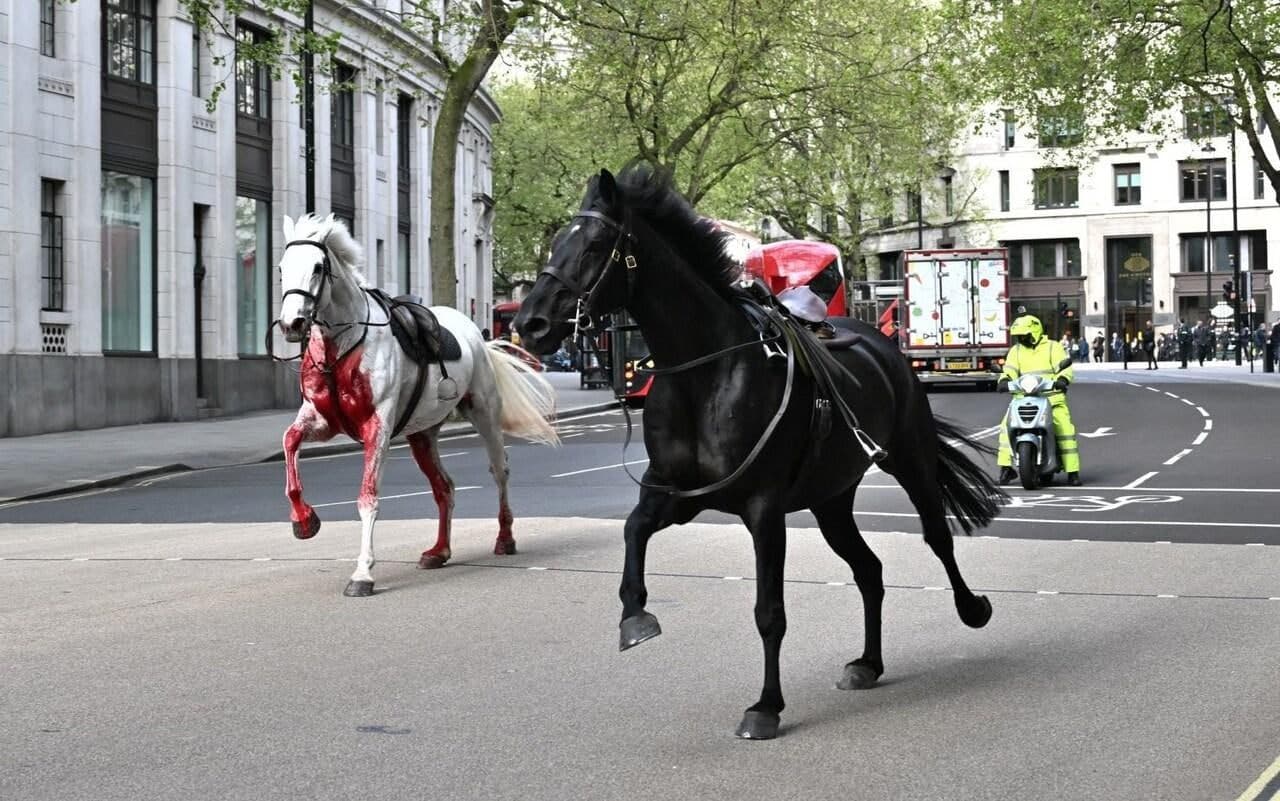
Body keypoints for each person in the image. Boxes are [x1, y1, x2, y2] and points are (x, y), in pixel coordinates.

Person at [995, 314, 1081, 487]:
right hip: (1023, 398)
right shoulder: (1016, 351)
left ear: (1034, 332)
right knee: (1005, 428)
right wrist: (1004, 380)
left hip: (1051, 398)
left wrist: (1063, 380)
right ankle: (1006, 468)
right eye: (1018, 336)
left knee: (1064, 429)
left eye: (1024, 335)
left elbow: (1064, 368)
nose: (1021, 339)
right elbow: (1009, 370)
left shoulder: (1053, 347)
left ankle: (1073, 472)